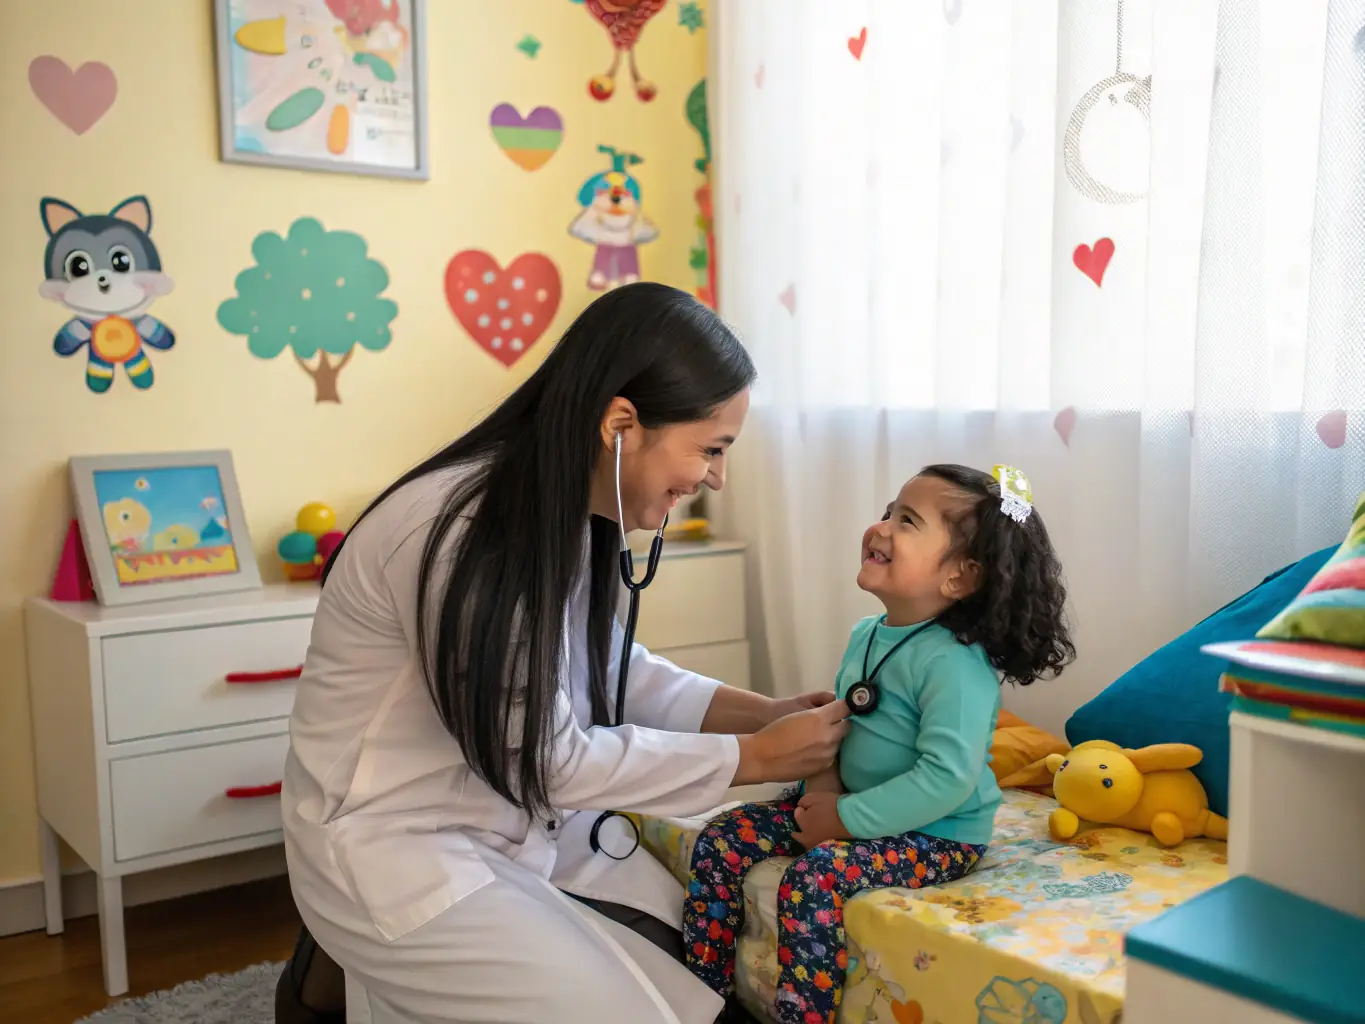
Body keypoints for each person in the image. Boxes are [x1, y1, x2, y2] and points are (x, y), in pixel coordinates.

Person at [274, 282, 852, 1024]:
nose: (716, 477)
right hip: (396, 846)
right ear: (621, 424)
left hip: (511, 821)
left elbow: (609, 666)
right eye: (710, 449)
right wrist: (757, 757)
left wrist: (762, 713)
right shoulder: (460, 533)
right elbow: (547, 759)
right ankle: (326, 978)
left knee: (704, 987)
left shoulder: (565, 514)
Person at [681, 464, 1076, 1024]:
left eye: (908, 521)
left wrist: (841, 820)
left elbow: (947, 778)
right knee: (722, 838)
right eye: (889, 511)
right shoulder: (866, 634)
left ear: (960, 578)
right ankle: (699, 1000)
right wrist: (821, 792)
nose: (882, 527)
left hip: (935, 830)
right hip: (849, 803)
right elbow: (836, 729)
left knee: (814, 880)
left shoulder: (955, 664)